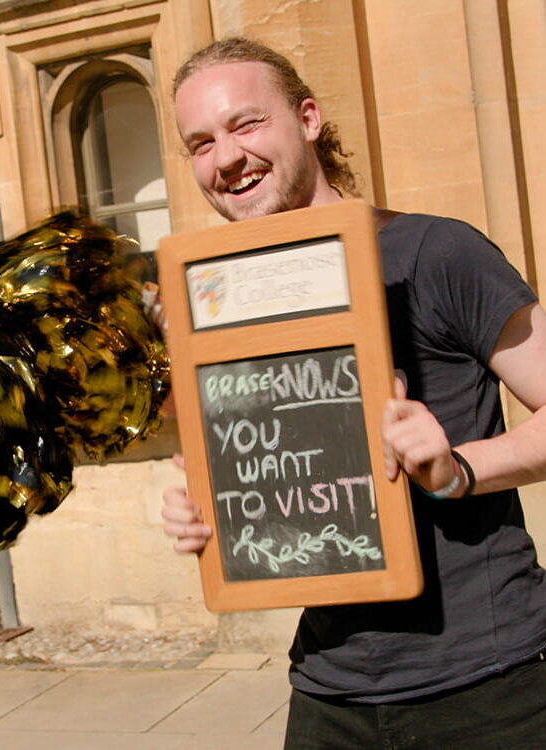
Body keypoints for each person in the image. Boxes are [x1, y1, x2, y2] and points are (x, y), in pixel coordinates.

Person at [162, 38, 546, 748]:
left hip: (487, 684)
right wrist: (215, 512)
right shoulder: (225, 300)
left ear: (307, 118)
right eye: (200, 142)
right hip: (328, 689)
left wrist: (459, 468)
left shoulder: (435, 253)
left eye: (247, 125)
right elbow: (278, 463)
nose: (225, 158)